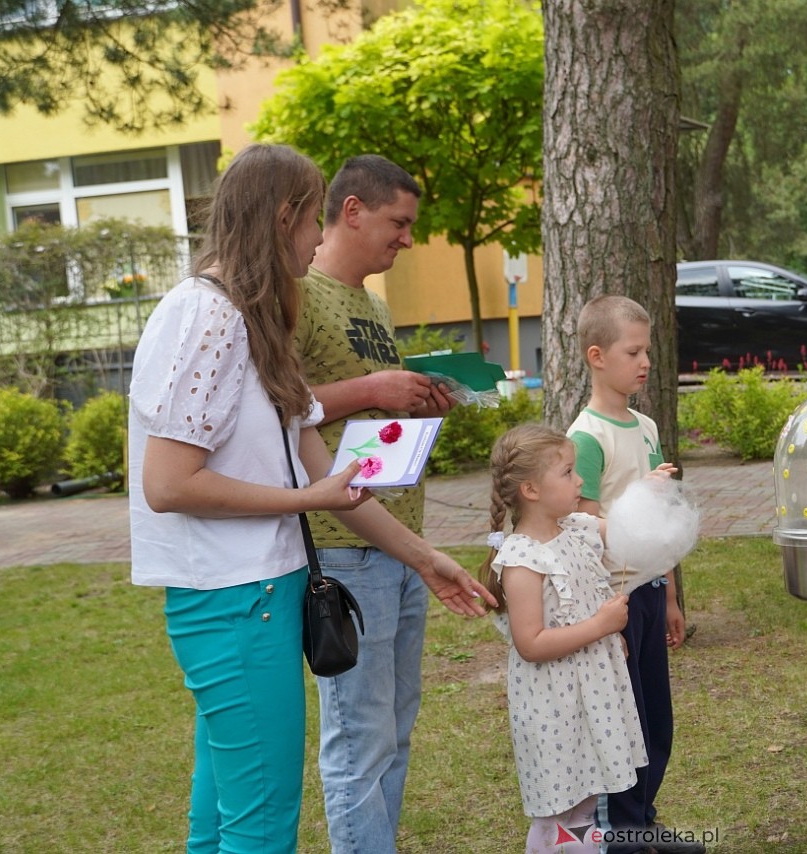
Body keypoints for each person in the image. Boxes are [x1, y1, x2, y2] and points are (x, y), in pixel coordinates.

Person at [128, 143, 494, 854]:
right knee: (261, 830)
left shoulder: (252, 319)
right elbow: (169, 484)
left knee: (224, 825)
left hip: (259, 591)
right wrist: (304, 501)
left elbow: (326, 473)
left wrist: (425, 559)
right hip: (235, 599)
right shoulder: (208, 317)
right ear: (285, 216)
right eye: (309, 219)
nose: (317, 236)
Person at [293, 154, 458, 853]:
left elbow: (367, 413)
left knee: (393, 725)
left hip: (397, 539)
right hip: (343, 541)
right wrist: (373, 391)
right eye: (399, 222)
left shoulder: (372, 303)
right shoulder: (299, 292)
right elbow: (275, 409)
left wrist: (421, 402)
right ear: (352, 210)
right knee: (359, 733)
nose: (408, 240)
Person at [566, 295, 704, 854]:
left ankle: (643, 820)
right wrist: (607, 618)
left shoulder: (646, 425)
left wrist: (669, 593)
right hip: (612, 603)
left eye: (648, 350)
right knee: (627, 723)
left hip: (648, 594)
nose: (645, 361)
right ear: (597, 356)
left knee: (657, 721)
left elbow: (662, 524)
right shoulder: (586, 436)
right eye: (633, 351)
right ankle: (623, 832)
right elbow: (582, 521)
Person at [479, 423, 649, 854]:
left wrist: (656, 499)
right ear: (532, 490)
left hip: (589, 694)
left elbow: (628, 533)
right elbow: (531, 643)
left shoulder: (574, 528)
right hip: (553, 704)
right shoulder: (522, 559)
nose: (580, 482)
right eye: (569, 473)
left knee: (587, 801)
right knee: (560, 808)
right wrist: (601, 628)